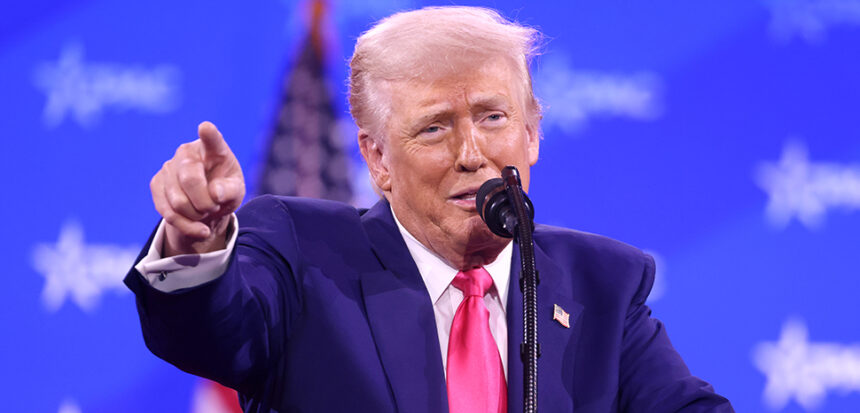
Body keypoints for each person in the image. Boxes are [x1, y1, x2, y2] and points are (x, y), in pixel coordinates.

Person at [125, 6, 734, 413]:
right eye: (435, 129)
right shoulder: (302, 256)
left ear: (532, 134)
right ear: (378, 158)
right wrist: (195, 245)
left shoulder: (601, 285)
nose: (472, 155)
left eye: (493, 118)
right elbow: (209, 332)